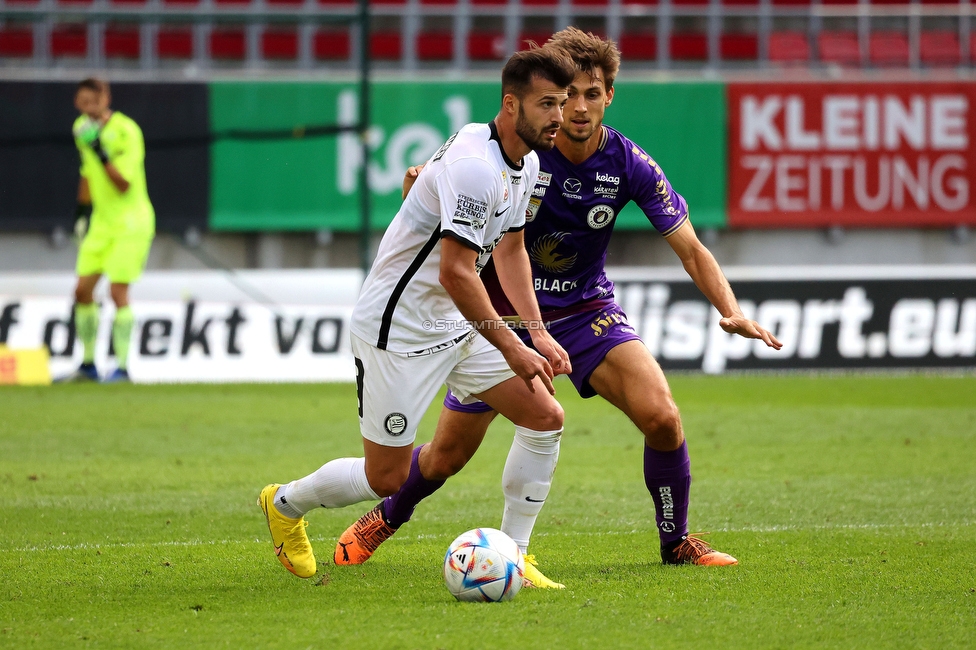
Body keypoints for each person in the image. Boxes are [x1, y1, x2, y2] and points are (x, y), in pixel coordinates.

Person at [335, 28, 783, 588]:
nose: (577, 107)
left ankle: (676, 542)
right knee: (446, 455)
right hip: (503, 314)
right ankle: (387, 516)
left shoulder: (628, 163)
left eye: (591, 94)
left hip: (586, 309)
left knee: (663, 418)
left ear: (608, 97)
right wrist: (420, 188)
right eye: (567, 94)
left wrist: (731, 309)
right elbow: (431, 190)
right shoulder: (518, 148)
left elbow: (691, 246)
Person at [257, 47, 578, 580]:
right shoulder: (477, 167)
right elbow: (456, 272)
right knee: (386, 476)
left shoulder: (529, 163)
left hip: (455, 321)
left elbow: (512, 249)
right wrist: (513, 344)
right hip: (398, 327)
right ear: (510, 103)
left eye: (562, 103)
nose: (559, 118)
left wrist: (537, 333)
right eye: (547, 104)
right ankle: (285, 505)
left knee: (545, 417)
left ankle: (515, 560)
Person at [59, 78, 155, 383]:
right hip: (101, 223)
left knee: (117, 291)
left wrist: (100, 149)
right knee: (82, 291)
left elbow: (123, 183)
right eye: (83, 103)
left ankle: (122, 367)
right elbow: (86, 173)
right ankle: (88, 364)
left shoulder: (126, 131)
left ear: (106, 98)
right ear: (77, 103)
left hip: (131, 222)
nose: (89, 109)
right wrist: (81, 212)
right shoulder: (80, 129)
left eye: (94, 102)